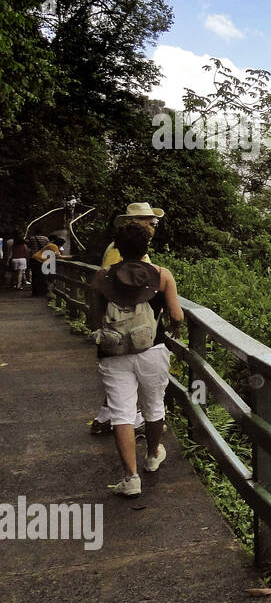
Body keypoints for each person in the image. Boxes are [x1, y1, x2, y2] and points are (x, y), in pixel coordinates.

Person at [87, 221, 184, 498]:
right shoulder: (162, 275)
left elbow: (93, 318)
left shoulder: (102, 277)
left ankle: (131, 478)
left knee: (121, 414)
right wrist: (173, 324)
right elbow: (176, 316)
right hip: (152, 350)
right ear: (147, 247)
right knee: (154, 407)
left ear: (117, 248)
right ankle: (153, 455)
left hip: (113, 353)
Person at [102, 202, 164, 268]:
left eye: (154, 225)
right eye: (151, 224)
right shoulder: (119, 248)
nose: (152, 229)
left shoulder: (138, 249)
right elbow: (107, 274)